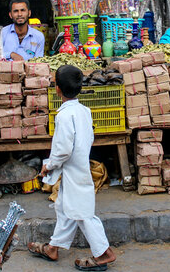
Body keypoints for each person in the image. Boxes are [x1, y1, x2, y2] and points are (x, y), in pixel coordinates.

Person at [27, 65, 116, 271]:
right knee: (65, 207)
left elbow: (63, 149)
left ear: (57, 89)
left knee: (82, 213)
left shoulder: (64, 116)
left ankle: (104, 253)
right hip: (79, 166)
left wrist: (49, 165)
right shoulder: (84, 111)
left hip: (72, 168)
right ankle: (53, 247)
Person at [0, 0, 45, 68]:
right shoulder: (2, 33)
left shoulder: (38, 36)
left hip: (29, 76)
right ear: (10, 15)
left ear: (29, 13)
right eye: (16, 11)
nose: (19, 14)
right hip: (5, 76)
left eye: (23, 10)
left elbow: (39, 63)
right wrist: (10, 54)